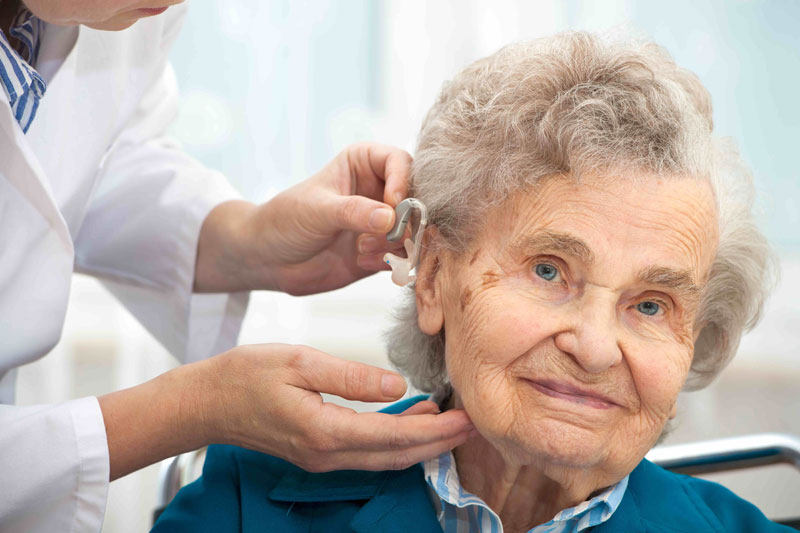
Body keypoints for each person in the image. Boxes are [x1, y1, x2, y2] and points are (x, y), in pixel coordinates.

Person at [152, 32, 793, 532]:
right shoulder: (251, 500)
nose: (595, 348)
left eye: (651, 305)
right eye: (549, 270)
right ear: (432, 278)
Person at [0, 1, 474, 532]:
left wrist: (250, 237)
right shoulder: (241, 496)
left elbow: (87, 162)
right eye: (546, 271)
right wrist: (190, 410)